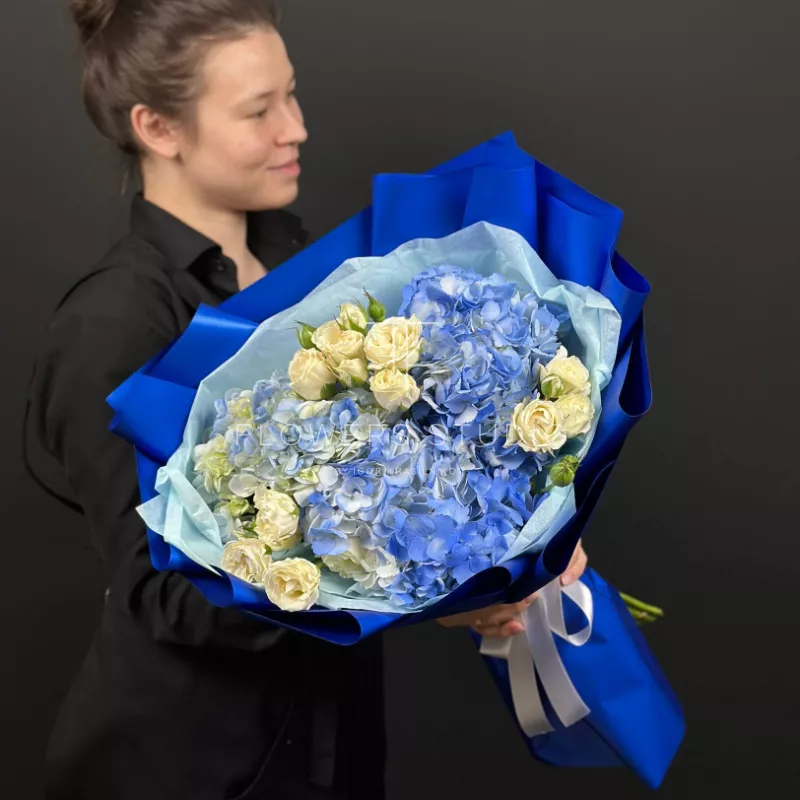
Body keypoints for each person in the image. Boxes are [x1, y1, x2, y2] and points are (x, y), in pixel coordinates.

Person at [26, 1, 588, 798]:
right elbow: (163, 595)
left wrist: (503, 547)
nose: (296, 129)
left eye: (290, 94)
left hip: (335, 741)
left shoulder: (305, 263)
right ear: (158, 128)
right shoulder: (113, 322)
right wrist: (426, 598)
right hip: (192, 768)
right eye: (259, 110)